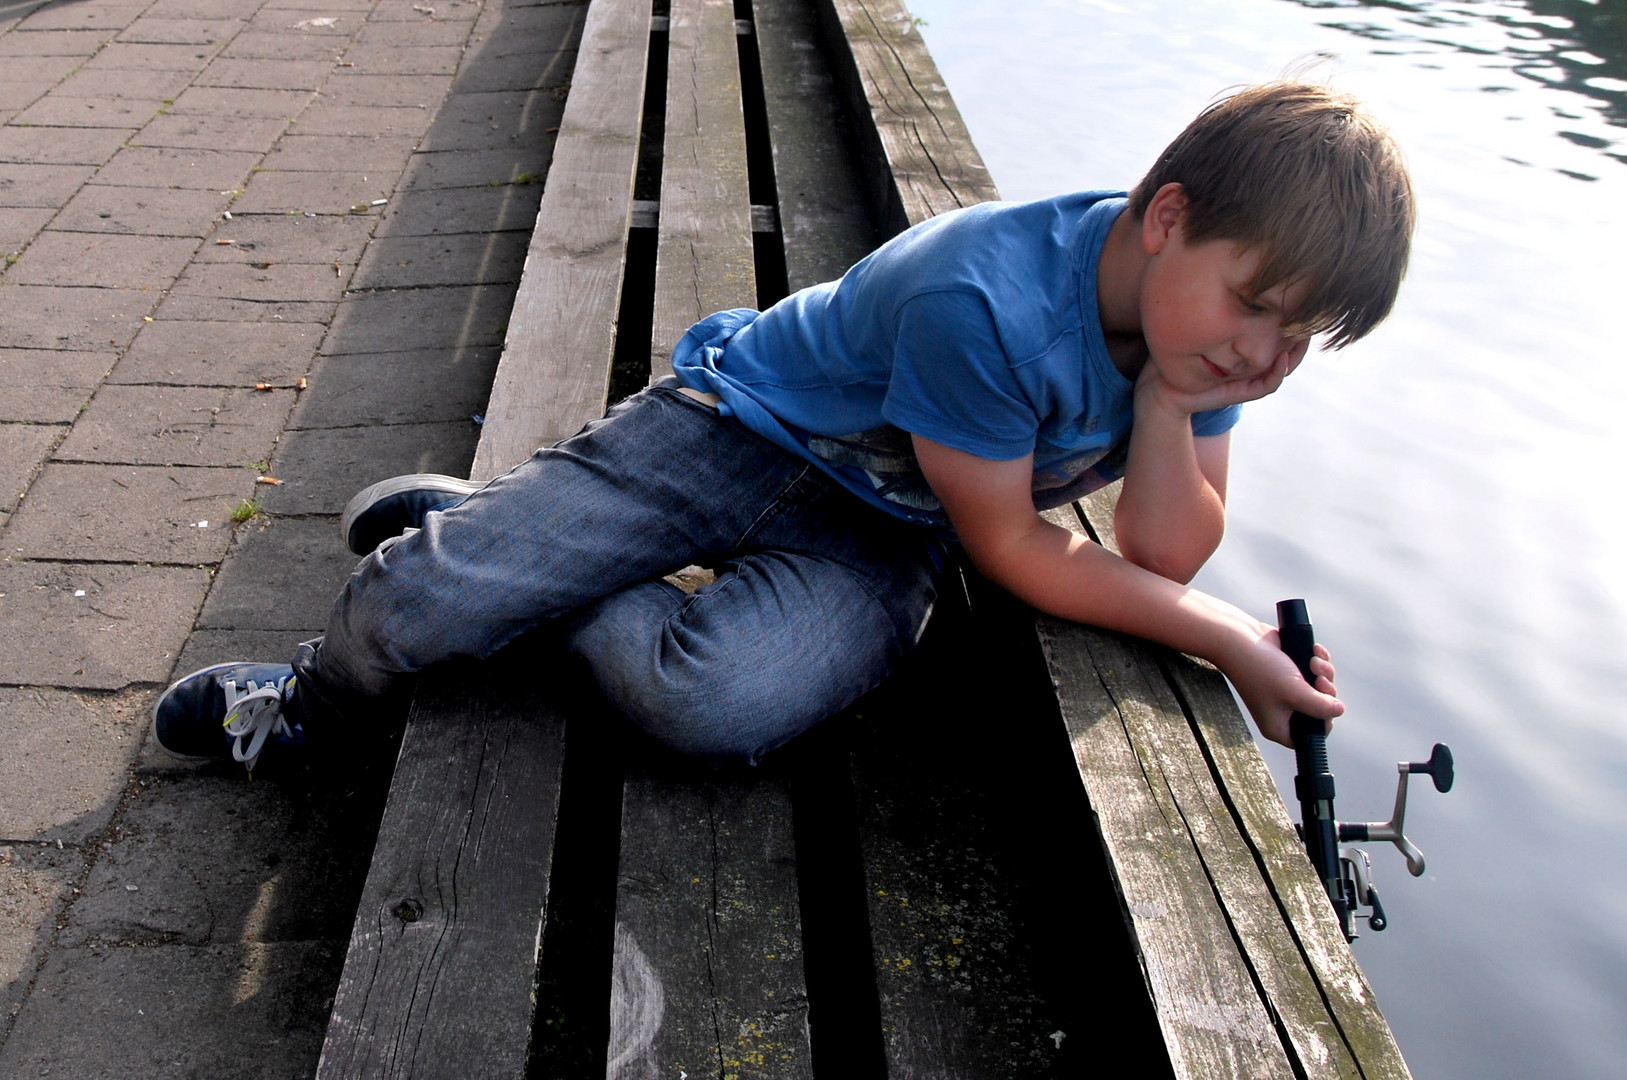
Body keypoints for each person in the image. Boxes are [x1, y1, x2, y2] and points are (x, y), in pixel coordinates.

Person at [153, 80, 1413, 772]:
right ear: (1166, 215)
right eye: (1256, 308)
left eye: (1301, 341)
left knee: (713, 708)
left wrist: (1173, 404)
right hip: (737, 426)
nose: (1265, 356)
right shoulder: (985, 299)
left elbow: (1160, 553)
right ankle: (311, 701)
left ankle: (525, 556)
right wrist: (1234, 643)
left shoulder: (1207, 355)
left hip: (889, 527)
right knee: (402, 612)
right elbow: (1024, 553)